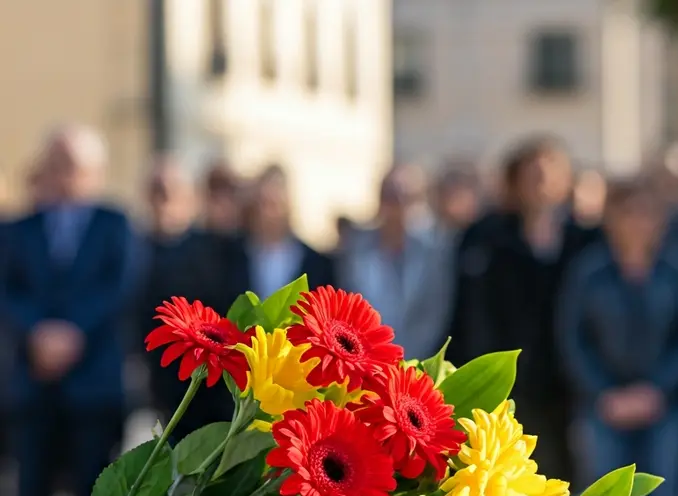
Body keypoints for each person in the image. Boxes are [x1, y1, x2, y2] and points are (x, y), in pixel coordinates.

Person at [1, 125, 136, 496]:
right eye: (56, 165)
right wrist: (38, 334)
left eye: (73, 166)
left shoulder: (116, 224)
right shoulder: (18, 229)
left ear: (96, 171)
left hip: (93, 382)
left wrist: (73, 333)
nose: (64, 175)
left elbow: (119, 288)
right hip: (33, 379)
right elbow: (8, 290)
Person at [449, 136, 599, 483]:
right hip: (506, 378)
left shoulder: (586, 239)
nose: (541, 183)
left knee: (567, 477)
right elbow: (467, 311)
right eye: (532, 175)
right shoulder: (485, 237)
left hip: (569, 381)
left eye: (550, 174)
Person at [558, 177, 678, 496]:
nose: (637, 222)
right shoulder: (588, 271)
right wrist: (604, 392)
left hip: (663, 404)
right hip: (604, 406)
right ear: (610, 218)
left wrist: (656, 389)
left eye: (647, 213)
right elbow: (573, 337)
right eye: (628, 212)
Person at [133, 158, 234, 439]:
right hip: (155, 380)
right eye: (156, 191)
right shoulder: (134, 247)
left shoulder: (214, 249)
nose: (162, 201)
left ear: (189, 198)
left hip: (207, 382)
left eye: (169, 192)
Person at [339, 166, 456, 360]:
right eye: (390, 196)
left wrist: (405, 360)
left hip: (417, 364)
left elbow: (435, 315)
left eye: (407, 198)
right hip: (364, 360)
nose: (397, 206)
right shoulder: (355, 249)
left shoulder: (436, 251)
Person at [223, 166, 336, 308]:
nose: (269, 214)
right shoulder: (230, 257)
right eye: (264, 204)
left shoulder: (316, 263)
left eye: (275, 205)